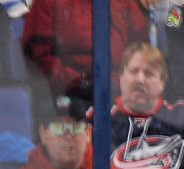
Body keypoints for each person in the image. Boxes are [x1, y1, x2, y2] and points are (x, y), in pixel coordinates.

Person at [21, 0, 149, 106]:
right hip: (65, 100)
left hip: (116, 97)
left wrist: (119, 82)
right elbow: (38, 55)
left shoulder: (125, 3)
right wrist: (78, 82)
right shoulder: (47, 3)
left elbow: (140, 51)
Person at [7, 95, 142, 169]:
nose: (68, 137)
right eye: (58, 128)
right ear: (43, 134)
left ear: (88, 133)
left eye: (76, 128)